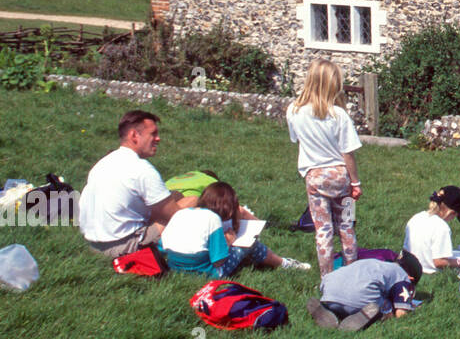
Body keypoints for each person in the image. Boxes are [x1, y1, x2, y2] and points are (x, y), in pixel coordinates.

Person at [79, 110, 197, 258]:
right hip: (123, 246)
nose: (158, 138)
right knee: (190, 202)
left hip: (94, 244)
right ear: (134, 135)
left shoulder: (104, 162)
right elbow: (175, 216)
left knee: (176, 195)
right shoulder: (142, 169)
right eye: (153, 134)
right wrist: (195, 202)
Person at [288, 59, 363, 277]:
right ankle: (351, 274)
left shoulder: (293, 110)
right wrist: (355, 182)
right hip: (341, 177)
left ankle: (326, 277)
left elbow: (297, 139)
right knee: (347, 226)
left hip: (315, 177)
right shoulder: (339, 115)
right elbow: (347, 153)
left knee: (323, 229)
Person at [161, 181, 311, 275]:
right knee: (250, 245)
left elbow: (163, 245)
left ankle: (265, 262)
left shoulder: (182, 213)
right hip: (206, 272)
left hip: (174, 267)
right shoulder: (213, 219)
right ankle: (284, 263)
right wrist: (229, 241)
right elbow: (219, 261)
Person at [307, 250, 422, 331]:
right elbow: (401, 313)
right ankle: (368, 316)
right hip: (359, 298)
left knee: (371, 291)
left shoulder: (375, 263)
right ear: (411, 278)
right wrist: (411, 308)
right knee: (388, 307)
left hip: (329, 292)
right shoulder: (403, 276)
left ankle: (331, 312)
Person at [404, 185, 460, 275]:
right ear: (452, 213)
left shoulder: (416, 217)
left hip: (409, 266)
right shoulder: (442, 227)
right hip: (428, 270)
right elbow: (438, 262)